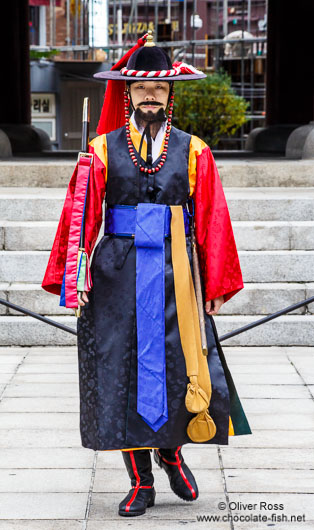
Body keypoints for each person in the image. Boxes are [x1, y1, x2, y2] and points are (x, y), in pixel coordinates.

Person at [42, 31, 251, 518]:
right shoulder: (101, 149)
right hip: (118, 270)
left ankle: (172, 454)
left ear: (169, 94)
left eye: (159, 88)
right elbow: (81, 216)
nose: (150, 95)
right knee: (119, 373)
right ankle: (139, 479)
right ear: (129, 93)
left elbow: (213, 216)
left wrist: (216, 283)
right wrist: (76, 278)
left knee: (180, 366)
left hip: (178, 269)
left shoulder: (194, 150)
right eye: (141, 89)